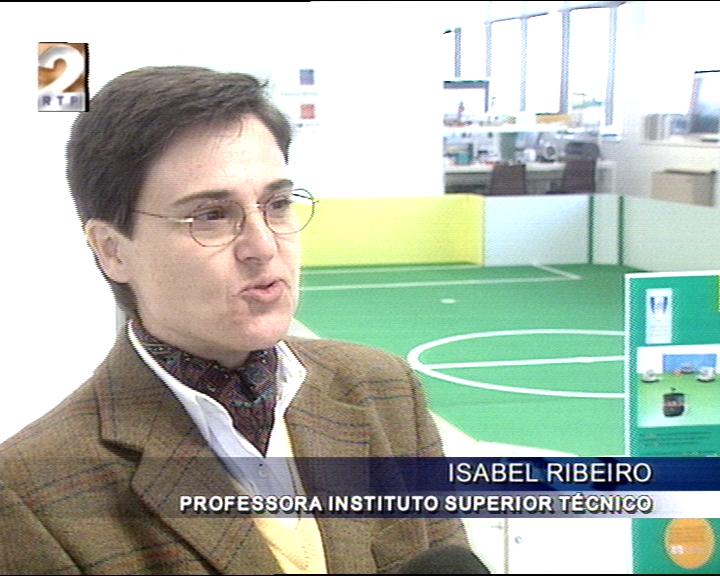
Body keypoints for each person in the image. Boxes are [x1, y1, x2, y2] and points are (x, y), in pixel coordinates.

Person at [0, 67, 468, 574]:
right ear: (112, 249)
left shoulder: (382, 390)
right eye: (211, 216)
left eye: (278, 204)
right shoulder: (31, 493)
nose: (263, 246)